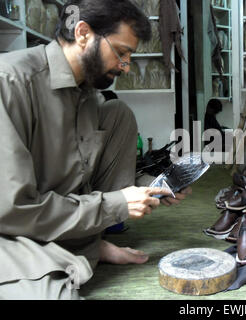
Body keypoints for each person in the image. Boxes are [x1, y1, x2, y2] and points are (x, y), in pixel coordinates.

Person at [0, 0, 190, 299]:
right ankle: (79, 249)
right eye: (121, 52)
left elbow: (79, 176)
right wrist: (115, 205)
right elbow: (11, 210)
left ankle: (85, 244)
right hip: (12, 231)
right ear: (83, 33)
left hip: (53, 218)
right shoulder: (9, 82)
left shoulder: (87, 95)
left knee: (118, 113)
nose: (125, 66)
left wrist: (150, 189)